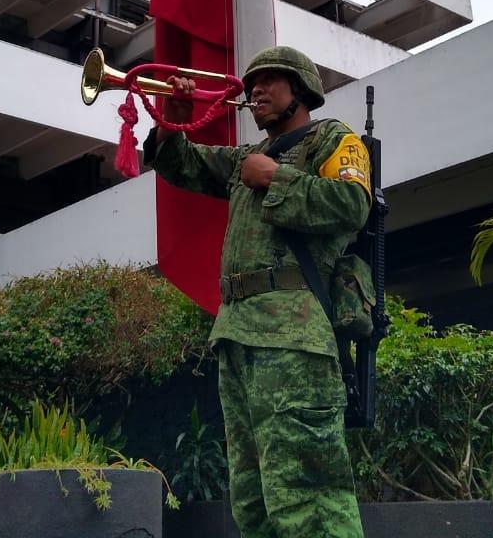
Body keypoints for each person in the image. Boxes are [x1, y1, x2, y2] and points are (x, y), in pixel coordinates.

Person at [145, 45, 370, 538]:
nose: (256, 91)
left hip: (294, 337)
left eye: (270, 81)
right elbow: (183, 162)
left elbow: (353, 206)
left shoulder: (335, 140)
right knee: (253, 497)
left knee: (307, 492)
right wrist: (172, 121)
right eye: (253, 84)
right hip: (239, 336)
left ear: (301, 89)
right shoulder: (247, 157)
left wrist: (277, 178)